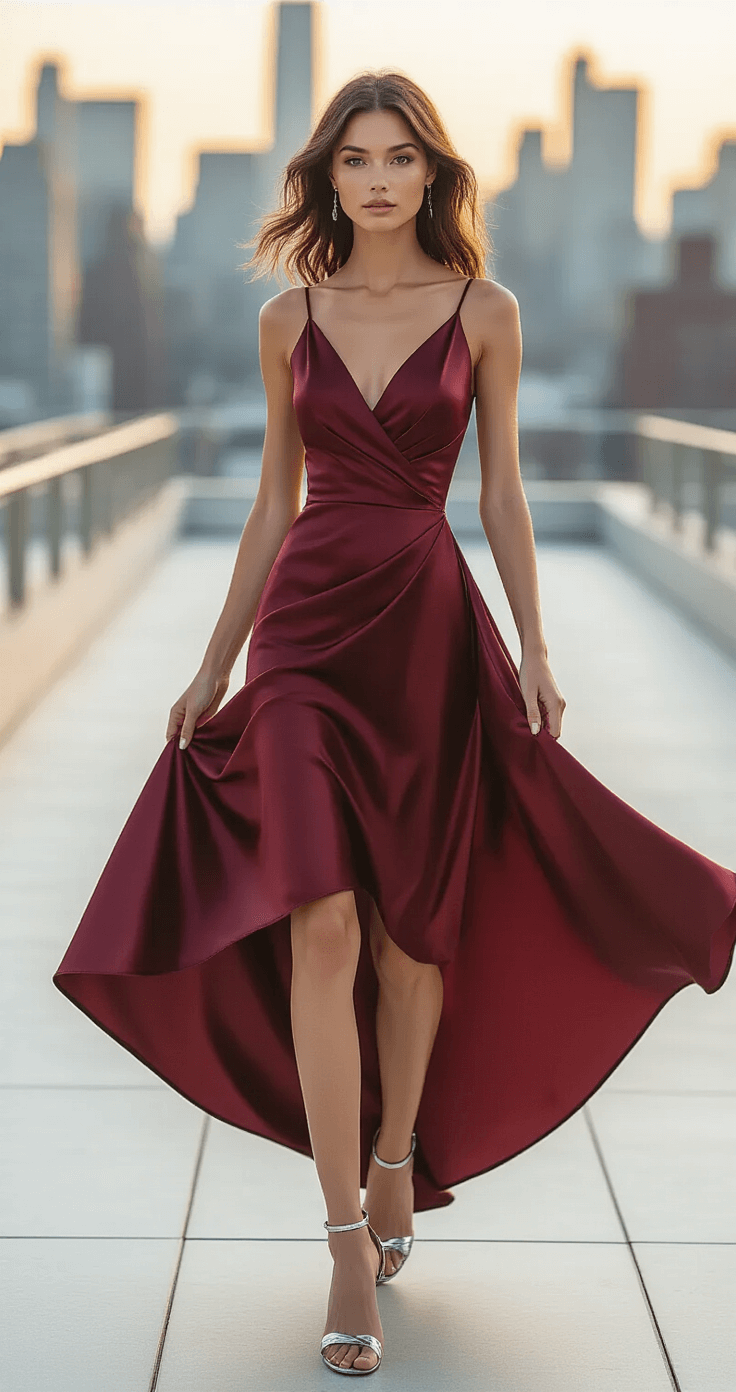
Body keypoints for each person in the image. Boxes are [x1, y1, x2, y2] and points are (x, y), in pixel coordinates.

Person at [54, 72, 736, 1378]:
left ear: (433, 174)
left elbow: (504, 494)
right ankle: (344, 1246)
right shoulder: (287, 318)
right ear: (329, 176)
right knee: (319, 921)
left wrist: (535, 647)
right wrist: (215, 667)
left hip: (424, 633)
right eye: (356, 158)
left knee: (410, 942)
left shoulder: (486, 311)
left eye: (400, 157)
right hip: (304, 638)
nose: (376, 179)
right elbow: (274, 502)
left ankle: (390, 1159)